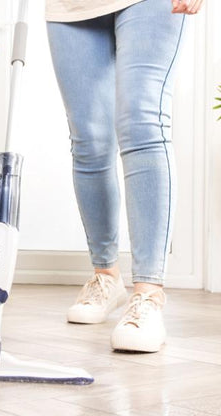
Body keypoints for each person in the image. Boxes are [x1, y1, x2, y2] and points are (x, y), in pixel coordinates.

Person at [45, 0, 203, 352]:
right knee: (89, 140)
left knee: (143, 122)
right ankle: (106, 277)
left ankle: (148, 294)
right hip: (71, 7)